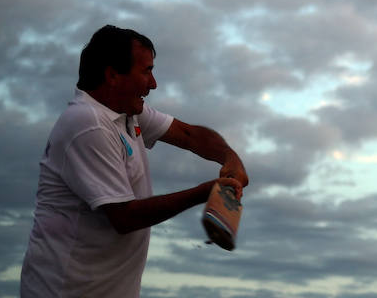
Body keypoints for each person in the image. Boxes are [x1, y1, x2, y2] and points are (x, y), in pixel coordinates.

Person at [20, 25, 250, 298]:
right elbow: (124, 216)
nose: (153, 84)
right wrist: (205, 192)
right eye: (146, 71)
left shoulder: (129, 113)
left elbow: (189, 135)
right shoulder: (88, 123)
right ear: (113, 75)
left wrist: (229, 156)